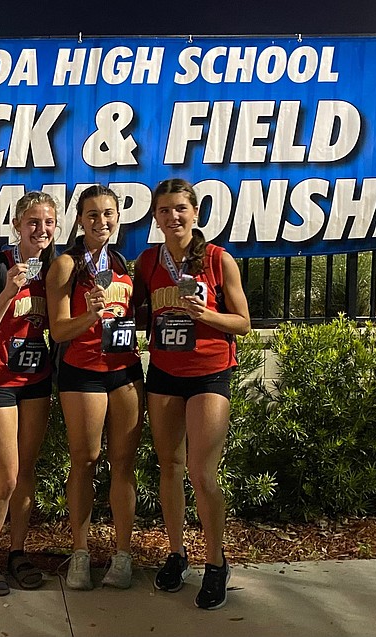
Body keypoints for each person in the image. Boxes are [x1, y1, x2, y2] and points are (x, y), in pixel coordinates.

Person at [132, 178, 250, 610]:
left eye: (180, 208)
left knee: (202, 473)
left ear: (195, 213)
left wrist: (208, 314)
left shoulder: (219, 260)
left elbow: (243, 323)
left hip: (209, 374)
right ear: (156, 218)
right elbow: (138, 313)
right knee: (170, 467)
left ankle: (216, 561)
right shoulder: (147, 262)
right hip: (163, 373)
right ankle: (177, 553)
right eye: (164, 210)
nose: (173, 216)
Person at [45, 184, 144, 590]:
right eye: (92, 214)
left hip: (125, 370)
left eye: (108, 214)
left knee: (124, 464)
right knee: (85, 460)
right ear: (80, 220)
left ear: (117, 218)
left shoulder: (122, 262)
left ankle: (122, 555)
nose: (101, 221)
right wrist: (89, 317)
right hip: (81, 371)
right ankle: (81, 553)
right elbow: (57, 328)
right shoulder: (67, 265)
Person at [0, 191, 57, 596]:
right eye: (33, 223)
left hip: (37, 379)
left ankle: (17, 551)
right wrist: (8, 291)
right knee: (5, 475)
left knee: (26, 473)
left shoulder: (57, 268)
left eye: (49, 223)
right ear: (17, 226)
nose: (41, 230)